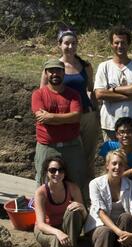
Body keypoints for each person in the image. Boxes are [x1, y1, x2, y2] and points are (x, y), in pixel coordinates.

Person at [40, 28, 100, 181]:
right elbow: (42, 93)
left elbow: (90, 90)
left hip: (86, 116)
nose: (70, 47)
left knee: (88, 157)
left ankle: (87, 194)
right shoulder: (52, 67)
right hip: (64, 117)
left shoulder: (85, 66)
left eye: (74, 43)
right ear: (59, 44)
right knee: (68, 156)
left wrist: (96, 112)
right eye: (66, 43)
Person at [31, 59, 88, 202]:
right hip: (47, 146)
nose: (55, 74)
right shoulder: (38, 94)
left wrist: (51, 117)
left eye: (58, 70)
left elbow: (76, 116)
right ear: (46, 73)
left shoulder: (73, 94)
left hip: (71, 146)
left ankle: (80, 215)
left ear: (64, 73)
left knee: (76, 180)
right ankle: (42, 218)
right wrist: (65, 118)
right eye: (51, 71)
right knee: (43, 181)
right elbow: (40, 116)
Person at [33, 156, 87, 247]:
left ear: (65, 172)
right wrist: (58, 233)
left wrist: (81, 207)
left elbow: (85, 216)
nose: (57, 174)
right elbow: (41, 224)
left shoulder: (72, 187)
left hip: (64, 226)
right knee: (55, 239)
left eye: (60, 170)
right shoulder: (41, 193)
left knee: (74, 211)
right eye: (53, 170)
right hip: (46, 229)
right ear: (46, 172)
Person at [94, 26, 132, 143]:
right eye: (116, 43)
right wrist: (129, 95)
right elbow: (99, 93)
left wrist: (113, 89)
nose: (120, 46)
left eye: (123, 42)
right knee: (113, 159)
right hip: (111, 125)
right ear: (111, 44)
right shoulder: (104, 67)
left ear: (128, 44)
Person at [98, 116, 132, 195]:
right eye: (122, 132)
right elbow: (108, 177)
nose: (125, 135)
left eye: (129, 131)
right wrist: (131, 171)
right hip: (114, 187)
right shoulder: (108, 147)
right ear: (116, 134)